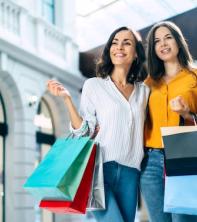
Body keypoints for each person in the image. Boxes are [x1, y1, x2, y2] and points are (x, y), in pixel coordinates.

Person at [46, 27, 150, 222]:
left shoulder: (144, 92)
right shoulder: (94, 85)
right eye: (115, 42)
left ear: (136, 53)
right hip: (99, 170)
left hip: (131, 173)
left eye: (127, 42)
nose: (119, 47)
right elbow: (84, 132)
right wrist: (67, 99)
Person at [140, 21, 197, 222]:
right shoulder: (148, 83)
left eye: (168, 37)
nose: (163, 44)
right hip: (150, 162)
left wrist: (188, 114)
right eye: (157, 41)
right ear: (153, 49)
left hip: (185, 157)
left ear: (178, 42)